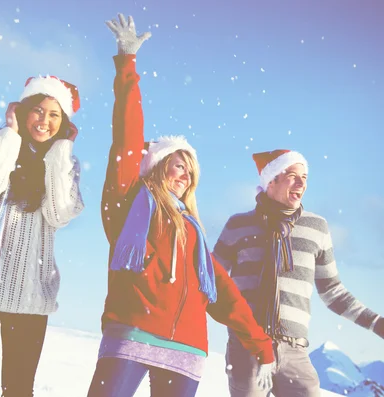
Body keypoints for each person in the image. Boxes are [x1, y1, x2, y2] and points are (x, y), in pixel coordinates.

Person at [87, 13, 276, 397]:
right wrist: (127, 65)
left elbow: (222, 291)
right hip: (132, 333)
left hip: (187, 350)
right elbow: (126, 136)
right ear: (156, 168)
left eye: (190, 171)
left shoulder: (192, 229)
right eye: (178, 165)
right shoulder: (131, 204)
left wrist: (261, 344)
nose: (185, 175)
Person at [0, 73, 85, 396]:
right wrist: (10, 134)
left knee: (19, 389)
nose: (44, 121)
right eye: (38, 110)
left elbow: (60, 213)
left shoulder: (65, 163)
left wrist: (60, 153)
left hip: (30, 295)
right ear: (23, 111)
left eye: (54, 115)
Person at [213, 149, 384, 397]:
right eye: (292, 175)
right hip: (247, 346)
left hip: (295, 351)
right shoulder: (238, 225)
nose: (301, 182)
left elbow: (333, 292)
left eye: (305, 177)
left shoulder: (317, 228)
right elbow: (210, 280)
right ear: (271, 180)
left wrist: (376, 323)